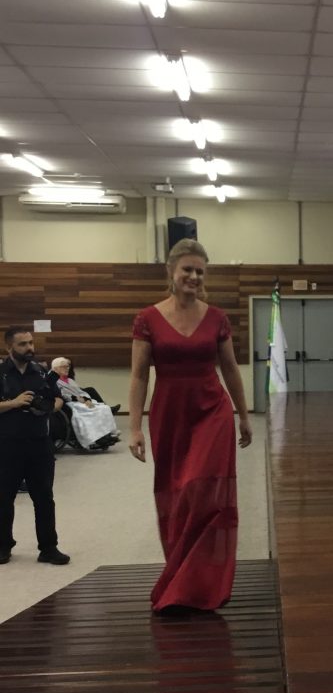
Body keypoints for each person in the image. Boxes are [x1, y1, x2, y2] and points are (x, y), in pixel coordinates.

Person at [128, 239, 253, 613]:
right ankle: (182, 577)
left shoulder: (217, 318)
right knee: (178, 495)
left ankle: (205, 584)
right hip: (170, 415)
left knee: (205, 493)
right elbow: (138, 376)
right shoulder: (147, 318)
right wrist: (134, 427)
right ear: (171, 271)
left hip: (212, 411)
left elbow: (230, 369)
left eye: (200, 271)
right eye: (188, 269)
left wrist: (243, 415)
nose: (194, 277)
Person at [0, 327, 70, 565]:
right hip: (7, 445)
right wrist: (13, 403)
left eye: (30, 343)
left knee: (44, 498)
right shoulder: (1, 373)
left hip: (40, 444)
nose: (29, 348)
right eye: (22, 344)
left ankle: (49, 547)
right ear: (9, 347)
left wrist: (48, 408)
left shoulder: (41, 372)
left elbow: (58, 398)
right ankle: (3, 546)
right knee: (4, 498)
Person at [50, 357, 120, 449]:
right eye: (64, 367)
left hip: (80, 401)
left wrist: (87, 399)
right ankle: (95, 438)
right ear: (55, 368)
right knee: (91, 412)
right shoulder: (53, 381)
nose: (67, 368)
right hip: (69, 404)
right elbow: (62, 395)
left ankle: (106, 434)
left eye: (68, 366)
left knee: (104, 408)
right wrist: (78, 399)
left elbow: (81, 392)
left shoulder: (70, 380)